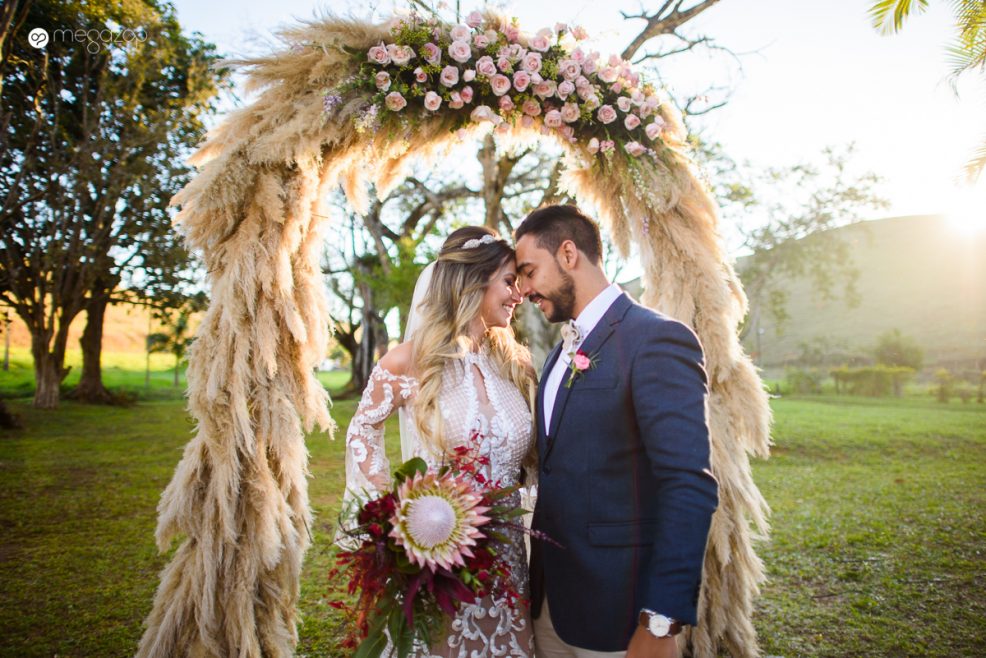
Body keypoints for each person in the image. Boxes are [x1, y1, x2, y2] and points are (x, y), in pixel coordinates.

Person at [514, 204, 719, 658]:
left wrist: (661, 620)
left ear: (568, 254)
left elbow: (688, 485)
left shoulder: (657, 339)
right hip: (550, 605)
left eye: (529, 271)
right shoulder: (557, 354)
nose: (524, 288)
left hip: (621, 613)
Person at [343, 225, 538, 657]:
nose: (518, 295)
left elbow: (536, 459)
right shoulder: (411, 360)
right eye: (509, 282)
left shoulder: (516, 364)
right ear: (474, 282)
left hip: (508, 558)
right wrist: (395, 505)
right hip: (441, 556)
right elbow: (362, 430)